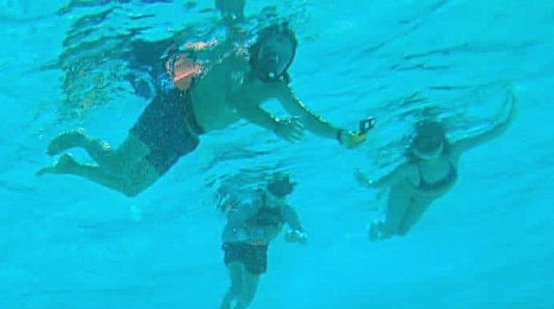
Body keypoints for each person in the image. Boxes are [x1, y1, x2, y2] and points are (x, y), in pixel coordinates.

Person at [39, 21, 370, 196]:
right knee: (118, 163)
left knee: (130, 186)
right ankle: (82, 139)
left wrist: (341, 136)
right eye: (270, 50)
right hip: (173, 109)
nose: (273, 59)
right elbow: (239, 101)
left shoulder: (277, 87)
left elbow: (306, 116)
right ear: (259, 47)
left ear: (289, 62)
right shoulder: (239, 60)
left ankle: (71, 166)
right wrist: (275, 125)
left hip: (189, 134)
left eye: (282, 56)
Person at [357, 93, 517, 240]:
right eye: (423, 144)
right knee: (391, 230)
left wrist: (512, 107)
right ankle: (376, 223)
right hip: (404, 190)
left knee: (403, 231)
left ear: (442, 141)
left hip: (428, 196)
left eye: (432, 141)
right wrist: (366, 182)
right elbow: (378, 183)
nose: (429, 149)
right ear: (414, 149)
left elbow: (494, 132)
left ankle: (380, 224)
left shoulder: (454, 151)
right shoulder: (411, 168)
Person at [219, 175, 306, 309]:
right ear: (265, 191)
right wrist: (248, 234)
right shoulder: (250, 205)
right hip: (236, 246)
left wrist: (295, 236)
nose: (276, 201)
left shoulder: (286, 210)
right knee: (237, 286)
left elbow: (300, 232)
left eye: (281, 197)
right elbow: (226, 234)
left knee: (248, 297)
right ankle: (227, 300)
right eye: (273, 196)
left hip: (258, 250)